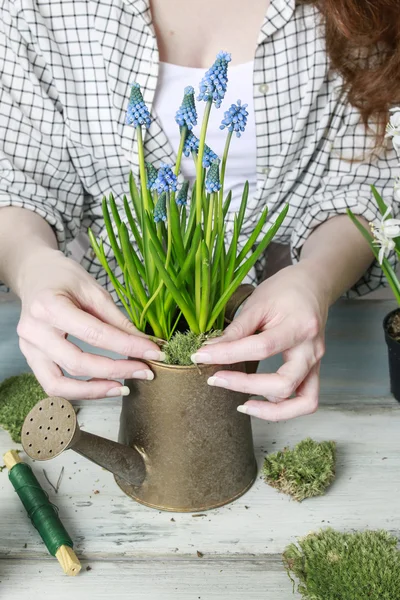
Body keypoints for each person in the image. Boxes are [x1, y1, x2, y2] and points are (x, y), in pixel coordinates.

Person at [0, 0, 399, 419]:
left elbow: (362, 185)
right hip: (102, 342)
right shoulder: (34, 9)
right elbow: (18, 181)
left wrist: (316, 280)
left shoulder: (364, 9)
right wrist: (33, 266)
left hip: (280, 335)